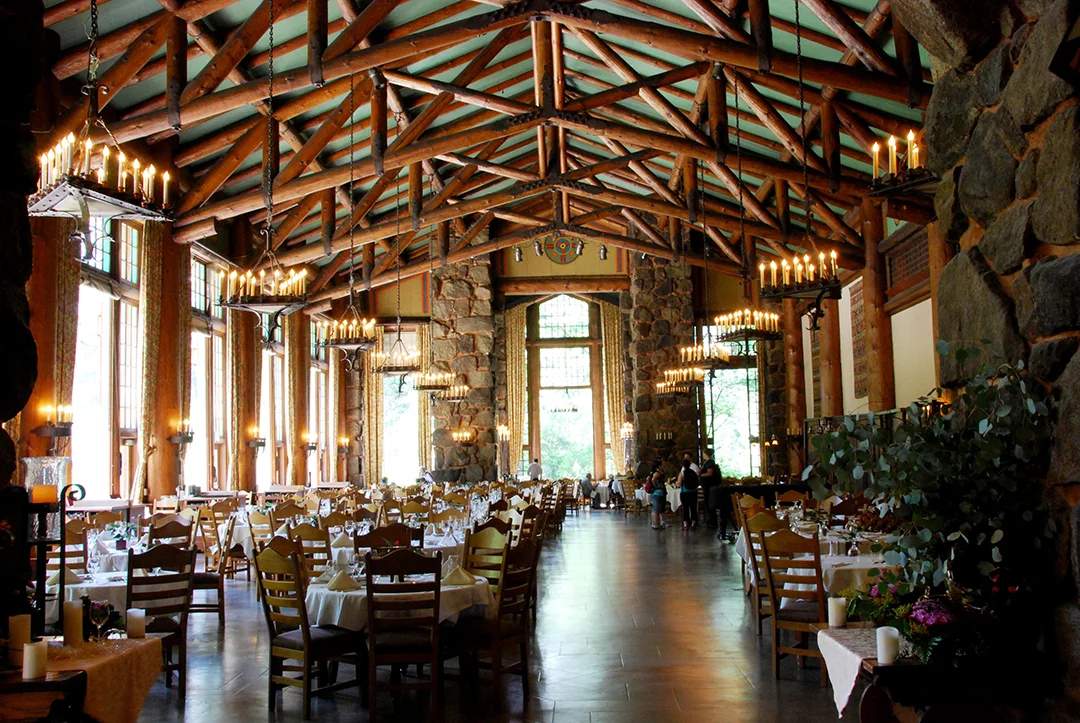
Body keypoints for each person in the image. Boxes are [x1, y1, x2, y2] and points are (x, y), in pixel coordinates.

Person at [698, 449, 719, 529]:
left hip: (709, 487)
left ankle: (712, 521)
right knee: (709, 503)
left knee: (710, 503)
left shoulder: (709, 463)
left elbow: (710, 473)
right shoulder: (709, 462)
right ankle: (711, 520)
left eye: (703, 453)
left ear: (706, 454)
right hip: (708, 487)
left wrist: (700, 475)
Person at [677, 458, 699, 531]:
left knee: (685, 508)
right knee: (693, 508)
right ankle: (693, 523)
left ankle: (686, 525)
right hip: (694, 492)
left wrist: (678, 484)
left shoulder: (682, 473)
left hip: (684, 492)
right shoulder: (693, 472)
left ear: (683, 465)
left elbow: (679, 483)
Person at [647, 465, 666, 529]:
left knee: (656, 508)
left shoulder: (654, 472)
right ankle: (656, 524)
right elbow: (653, 480)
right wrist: (657, 486)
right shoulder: (657, 473)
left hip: (656, 492)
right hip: (657, 492)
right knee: (656, 509)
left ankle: (655, 523)